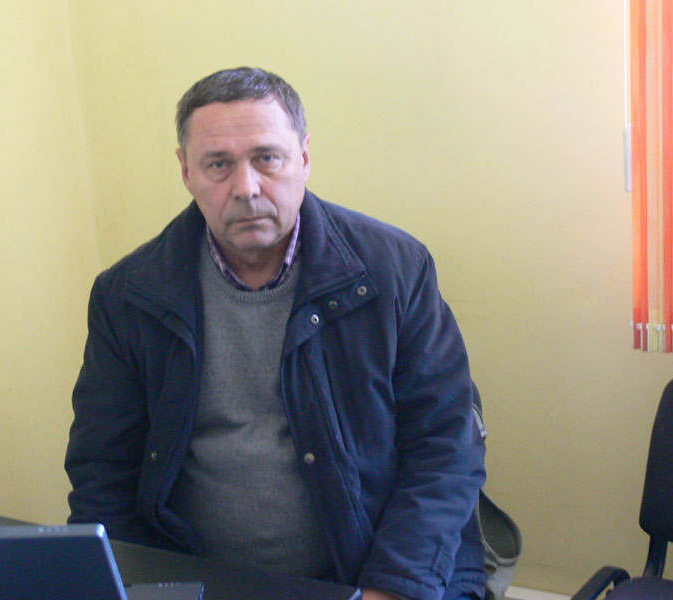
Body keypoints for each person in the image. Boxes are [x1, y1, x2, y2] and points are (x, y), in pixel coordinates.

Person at [65, 67, 487, 600]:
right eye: (218, 164)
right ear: (186, 171)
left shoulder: (396, 271)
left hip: (375, 571)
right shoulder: (128, 296)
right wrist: (129, 586)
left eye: (267, 158)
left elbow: (446, 449)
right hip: (201, 580)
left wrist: (392, 587)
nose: (246, 188)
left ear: (304, 157)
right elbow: (102, 473)